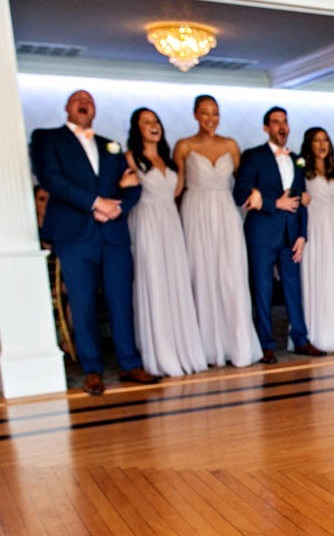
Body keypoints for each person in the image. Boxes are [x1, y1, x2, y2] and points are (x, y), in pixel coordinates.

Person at [30, 89, 159, 396]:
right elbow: (52, 179)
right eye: (78, 100)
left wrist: (118, 207)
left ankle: (130, 363)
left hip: (113, 234)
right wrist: (95, 202)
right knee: (83, 302)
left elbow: (131, 184)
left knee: (120, 300)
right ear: (67, 107)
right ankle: (92, 369)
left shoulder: (110, 146)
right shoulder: (47, 139)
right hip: (74, 235)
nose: (84, 104)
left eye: (89, 100)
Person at [174, 95, 262, 368]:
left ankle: (236, 344)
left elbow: (242, 183)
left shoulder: (230, 145)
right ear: (195, 115)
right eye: (204, 113)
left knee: (231, 274)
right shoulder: (184, 146)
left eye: (215, 113)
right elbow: (176, 186)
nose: (210, 119)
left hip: (225, 211)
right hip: (195, 211)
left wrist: (257, 191)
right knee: (200, 273)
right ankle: (204, 347)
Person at [233, 107, 324, 363]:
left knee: (294, 289)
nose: (282, 127)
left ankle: (301, 339)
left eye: (285, 122)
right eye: (276, 123)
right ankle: (265, 345)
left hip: (291, 235)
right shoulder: (253, 156)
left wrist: (302, 235)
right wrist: (275, 203)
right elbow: (240, 194)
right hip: (262, 233)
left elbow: (301, 200)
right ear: (266, 128)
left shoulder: (296, 159)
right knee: (262, 291)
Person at [124, 107, 207, 378]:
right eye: (146, 122)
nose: (153, 126)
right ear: (137, 129)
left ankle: (183, 347)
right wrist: (123, 186)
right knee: (154, 279)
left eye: (156, 121)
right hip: (147, 221)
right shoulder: (130, 158)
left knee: (175, 279)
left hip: (171, 221)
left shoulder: (170, 161)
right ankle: (159, 352)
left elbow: (177, 190)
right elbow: (121, 190)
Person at [298, 127, 334, 352]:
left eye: (325, 140)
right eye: (317, 141)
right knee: (318, 274)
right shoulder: (302, 169)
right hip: (314, 223)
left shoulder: (333, 170)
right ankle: (317, 334)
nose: (322, 145)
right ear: (309, 144)